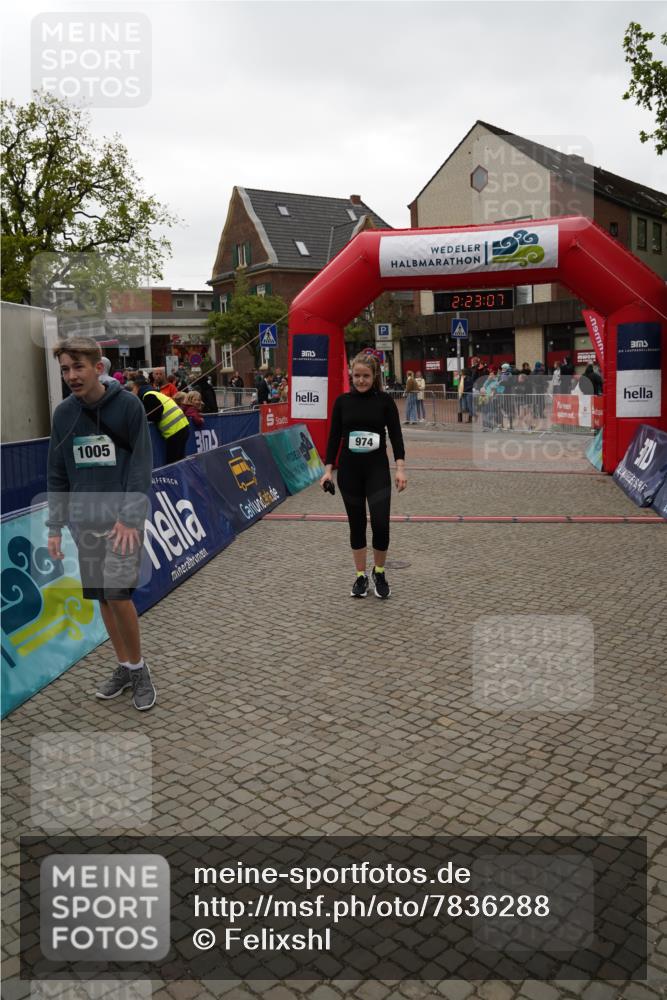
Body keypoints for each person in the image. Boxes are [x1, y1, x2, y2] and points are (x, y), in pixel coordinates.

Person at [46, 336, 156, 711]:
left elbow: (142, 466)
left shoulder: (127, 406)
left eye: (78, 367)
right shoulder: (63, 414)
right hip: (83, 521)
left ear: (98, 367)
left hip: (123, 523)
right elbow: (57, 473)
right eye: (65, 369)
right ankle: (124, 666)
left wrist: (130, 519)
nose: (72, 376)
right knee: (102, 599)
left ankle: (139, 670)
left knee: (118, 595)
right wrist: (55, 527)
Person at [320, 352, 407, 600]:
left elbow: (396, 437)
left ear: (375, 376)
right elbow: (334, 437)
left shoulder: (385, 402)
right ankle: (360, 576)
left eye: (366, 376)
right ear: (351, 375)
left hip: (376, 470)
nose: (361, 380)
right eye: (356, 376)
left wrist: (400, 468)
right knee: (356, 525)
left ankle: (379, 572)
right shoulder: (342, 402)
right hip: (349, 472)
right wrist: (327, 471)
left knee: (381, 523)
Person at [130, 374, 190, 465]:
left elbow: (155, 414)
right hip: (182, 427)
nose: (132, 393)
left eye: (132, 389)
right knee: (179, 462)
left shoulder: (148, 396)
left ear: (137, 388)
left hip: (175, 431)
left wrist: (142, 417)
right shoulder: (155, 393)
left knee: (172, 464)